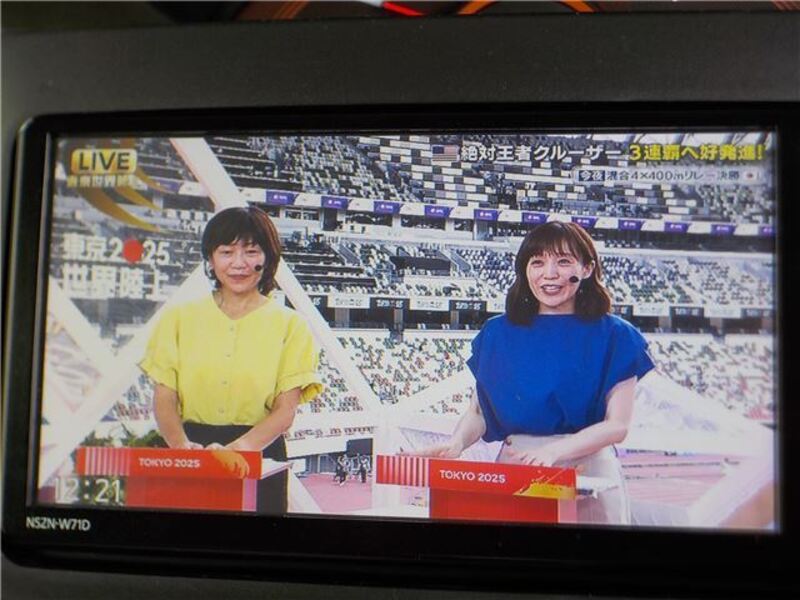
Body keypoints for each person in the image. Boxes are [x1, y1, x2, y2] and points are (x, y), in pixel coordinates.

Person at [416, 222, 655, 525]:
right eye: (537, 262)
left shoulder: (617, 335)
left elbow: (617, 426)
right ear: (525, 270)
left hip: (587, 474)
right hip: (517, 470)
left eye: (563, 261)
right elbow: (479, 412)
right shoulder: (497, 333)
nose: (549, 273)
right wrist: (457, 443)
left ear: (586, 268)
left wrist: (555, 451)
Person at [140, 205, 322, 514]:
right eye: (226, 252)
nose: (239, 263)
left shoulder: (292, 326)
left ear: (268, 258)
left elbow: (285, 410)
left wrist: (239, 449)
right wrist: (182, 448)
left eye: (251, 252)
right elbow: (164, 397)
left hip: (260, 452)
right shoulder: (178, 318)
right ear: (210, 259)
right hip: (190, 450)